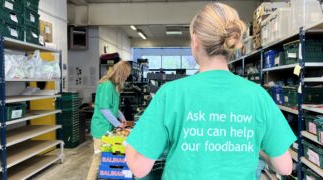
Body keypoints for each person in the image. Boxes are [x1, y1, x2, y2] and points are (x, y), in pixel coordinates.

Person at [125, 3, 296, 180]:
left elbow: (139, 167)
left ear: (195, 40)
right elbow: (284, 167)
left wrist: (132, 142)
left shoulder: (171, 94)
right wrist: (253, 142)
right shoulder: (258, 95)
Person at [86, 61, 131, 180]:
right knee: (98, 159)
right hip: (101, 128)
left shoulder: (112, 85)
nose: (126, 78)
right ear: (121, 74)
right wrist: (117, 124)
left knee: (106, 158)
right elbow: (104, 109)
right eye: (126, 76)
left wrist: (122, 117)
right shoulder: (107, 86)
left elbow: (113, 107)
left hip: (107, 128)